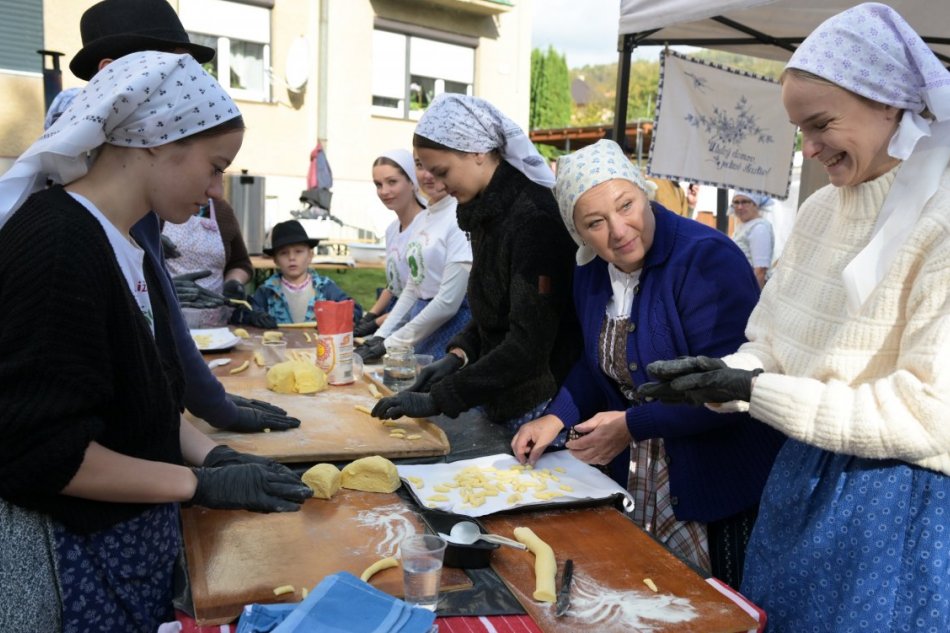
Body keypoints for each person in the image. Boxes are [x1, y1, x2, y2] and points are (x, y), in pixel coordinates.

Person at [638, 4, 950, 629]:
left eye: (821, 124)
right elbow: (772, 342)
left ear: (890, 104)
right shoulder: (818, 212)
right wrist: (724, 376)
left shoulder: (940, 221)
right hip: (800, 475)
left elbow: (929, 416)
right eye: (799, 129)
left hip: (893, 505)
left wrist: (755, 390)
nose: (807, 150)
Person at [0, 51, 313, 633]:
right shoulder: (60, 246)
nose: (215, 191)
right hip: (74, 558)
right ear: (156, 141)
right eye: (214, 167)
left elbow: (141, 398)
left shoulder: (124, 243)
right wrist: (197, 483)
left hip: (126, 545)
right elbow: (41, 452)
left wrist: (211, 453)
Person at [510, 140, 784, 584]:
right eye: (595, 222)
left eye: (626, 205)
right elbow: (598, 362)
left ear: (645, 192)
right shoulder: (591, 270)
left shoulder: (706, 260)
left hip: (716, 478)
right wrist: (556, 417)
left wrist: (631, 425)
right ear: (578, 233)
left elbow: (729, 388)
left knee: (706, 600)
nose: (618, 231)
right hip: (641, 473)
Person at [67, 0, 297, 432]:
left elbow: (158, 322)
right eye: (173, 70)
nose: (189, 84)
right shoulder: (71, 222)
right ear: (114, 75)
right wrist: (209, 419)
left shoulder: (146, 191)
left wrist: (204, 415)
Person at [372, 94, 582, 435]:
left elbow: (528, 345)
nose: (438, 185)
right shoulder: (486, 211)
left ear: (477, 152)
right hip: (503, 393)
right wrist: (458, 355)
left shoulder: (534, 220)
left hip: (542, 401)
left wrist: (441, 397)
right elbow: (492, 306)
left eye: (442, 172)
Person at [356, 151, 472, 362]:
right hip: (420, 323)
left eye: (435, 165)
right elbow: (413, 286)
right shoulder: (424, 218)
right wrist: (381, 335)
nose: (427, 174)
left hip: (453, 327)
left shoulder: (459, 218)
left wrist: (390, 342)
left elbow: (448, 302)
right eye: (420, 165)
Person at [353, 150, 427, 342]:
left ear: (412, 182)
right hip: (394, 314)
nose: (384, 191)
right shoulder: (392, 230)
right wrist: (371, 315)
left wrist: (377, 323)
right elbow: (394, 284)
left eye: (392, 182)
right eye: (378, 184)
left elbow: (423, 292)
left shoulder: (427, 227)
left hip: (420, 318)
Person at [162, 196, 259, 327]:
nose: (215, 191)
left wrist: (234, 282)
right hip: (167, 313)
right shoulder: (160, 206)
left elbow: (240, 263)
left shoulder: (222, 210)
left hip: (216, 320)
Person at [252, 220, 363, 324]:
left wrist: (335, 316)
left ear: (310, 256)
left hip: (317, 339)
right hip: (280, 339)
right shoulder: (266, 291)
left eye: (298, 251)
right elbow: (251, 313)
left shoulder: (324, 287)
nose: (291, 257)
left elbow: (354, 310)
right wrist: (256, 317)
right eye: (284, 253)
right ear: (275, 260)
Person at [729, 191, 774, 288]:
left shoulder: (759, 228)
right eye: (736, 202)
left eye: (744, 202)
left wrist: (752, 295)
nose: (739, 207)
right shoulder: (743, 226)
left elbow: (760, 271)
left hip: (748, 289)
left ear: (755, 204)